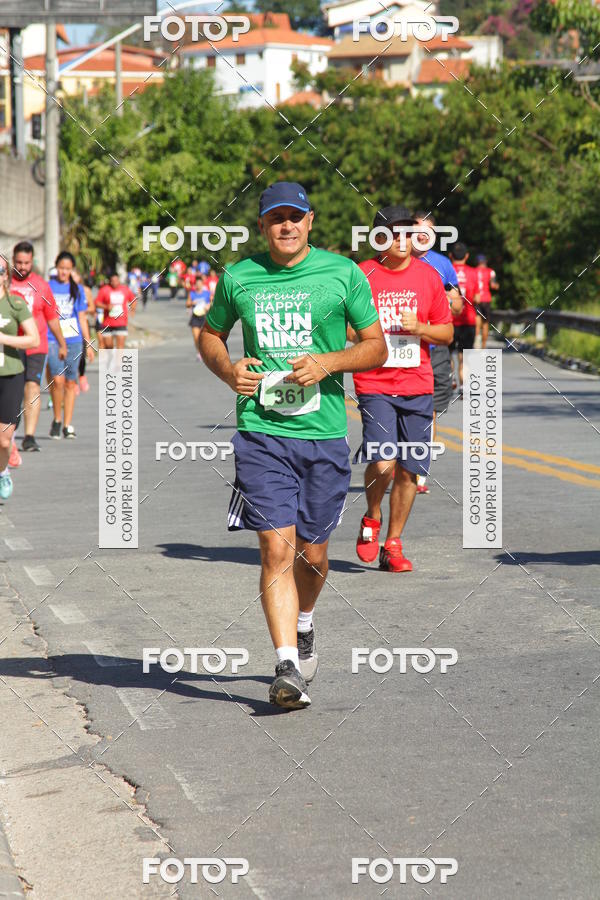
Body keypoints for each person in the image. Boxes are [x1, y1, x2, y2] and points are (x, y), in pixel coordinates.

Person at [199, 181, 386, 710]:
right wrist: (227, 368)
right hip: (261, 433)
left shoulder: (342, 273)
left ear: (310, 222)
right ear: (262, 226)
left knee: (315, 553)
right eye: (275, 218)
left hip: (323, 434)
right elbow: (210, 335)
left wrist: (329, 362)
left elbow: (376, 347)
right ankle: (286, 665)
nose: (286, 225)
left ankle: (305, 623)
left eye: (295, 217)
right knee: (274, 548)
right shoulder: (240, 276)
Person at [352, 206, 453, 572]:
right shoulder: (363, 274)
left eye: (408, 233)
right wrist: (371, 328)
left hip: (417, 385)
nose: (401, 240)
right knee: (383, 460)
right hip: (375, 382)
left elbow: (447, 331)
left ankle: (392, 543)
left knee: (410, 470)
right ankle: (372, 516)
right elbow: (345, 330)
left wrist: (421, 328)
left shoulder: (428, 277)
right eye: (393, 233)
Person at [412, 212, 463, 493]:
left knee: (430, 410)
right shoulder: (397, 260)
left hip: (434, 347)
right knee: (401, 408)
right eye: (417, 231)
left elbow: (457, 306)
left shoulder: (442, 264)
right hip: (402, 349)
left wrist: (441, 298)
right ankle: (399, 459)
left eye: (427, 232)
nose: (421, 236)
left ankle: (420, 472)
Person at [9, 241, 68, 452]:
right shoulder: (5, 284)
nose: (22, 267)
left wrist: (62, 343)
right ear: (13, 261)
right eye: (19, 262)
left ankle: (30, 436)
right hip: (9, 346)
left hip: (36, 346)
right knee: (11, 391)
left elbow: (52, 318)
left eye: (26, 262)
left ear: (32, 261)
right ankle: (10, 432)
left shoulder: (42, 286)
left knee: (32, 386)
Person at [0, 255, 39, 497]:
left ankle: (3, 472)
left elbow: (33, 338)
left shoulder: (16, 304)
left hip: (10, 375)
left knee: (4, 441)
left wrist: (3, 339)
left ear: (5, 275)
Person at [47, 251, 94, 439]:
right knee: (57, 381)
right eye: (61, 268)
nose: (64, 272)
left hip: (73, 340)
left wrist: (88, 343)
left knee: (70, 382)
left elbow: (82, 318)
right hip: (52, 339)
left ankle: (67, 424)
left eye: (67, 269)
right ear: (56, 266)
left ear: (72, 270)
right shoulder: (48, 287)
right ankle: (57, 419)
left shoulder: (78, 290)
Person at [449, 243, 479, 394]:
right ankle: (463, 385)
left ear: (450, 256)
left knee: (448, 353)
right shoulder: (474, 273)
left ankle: (451, 378)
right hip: (468, 320)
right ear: (467, 256)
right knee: (464, 355)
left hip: (449, 320)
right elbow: (477, 298)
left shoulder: (447, 271)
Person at [94, 273, 137, 350]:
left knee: (120, 347)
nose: (115, 282)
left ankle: (118, 361)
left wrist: (133, 309)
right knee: (108, 347)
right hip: (108, 323)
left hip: (121, 322)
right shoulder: (104, 290)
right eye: (112, 281)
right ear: (110, 281)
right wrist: (106, 306)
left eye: (116, 280)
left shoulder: (125, 289)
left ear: (119, 280)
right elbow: (97, 302)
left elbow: (133, 300)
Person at [474, 254, 499, 349]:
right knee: (485, 323)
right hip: (486, 299)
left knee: (477, 321)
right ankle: (483, 346)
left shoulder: (473, 271)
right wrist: (497, 285)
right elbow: (493, 285)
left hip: (476, 299)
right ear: (485, 262)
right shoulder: (490, 272)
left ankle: (476, 340)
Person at [186, 276, 211, 359]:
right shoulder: (192, 293)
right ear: (195, 285)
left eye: (200, 283)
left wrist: (209, 305)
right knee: (196, 337)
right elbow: (187, 304)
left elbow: (213, 302)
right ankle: (199, 353)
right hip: (195, 317)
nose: (198, 285)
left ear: (202, 284)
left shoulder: (207, 293)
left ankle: (206, 352)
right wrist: (192, 302)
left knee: (204, 337)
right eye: (197, 284)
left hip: (205, 316)